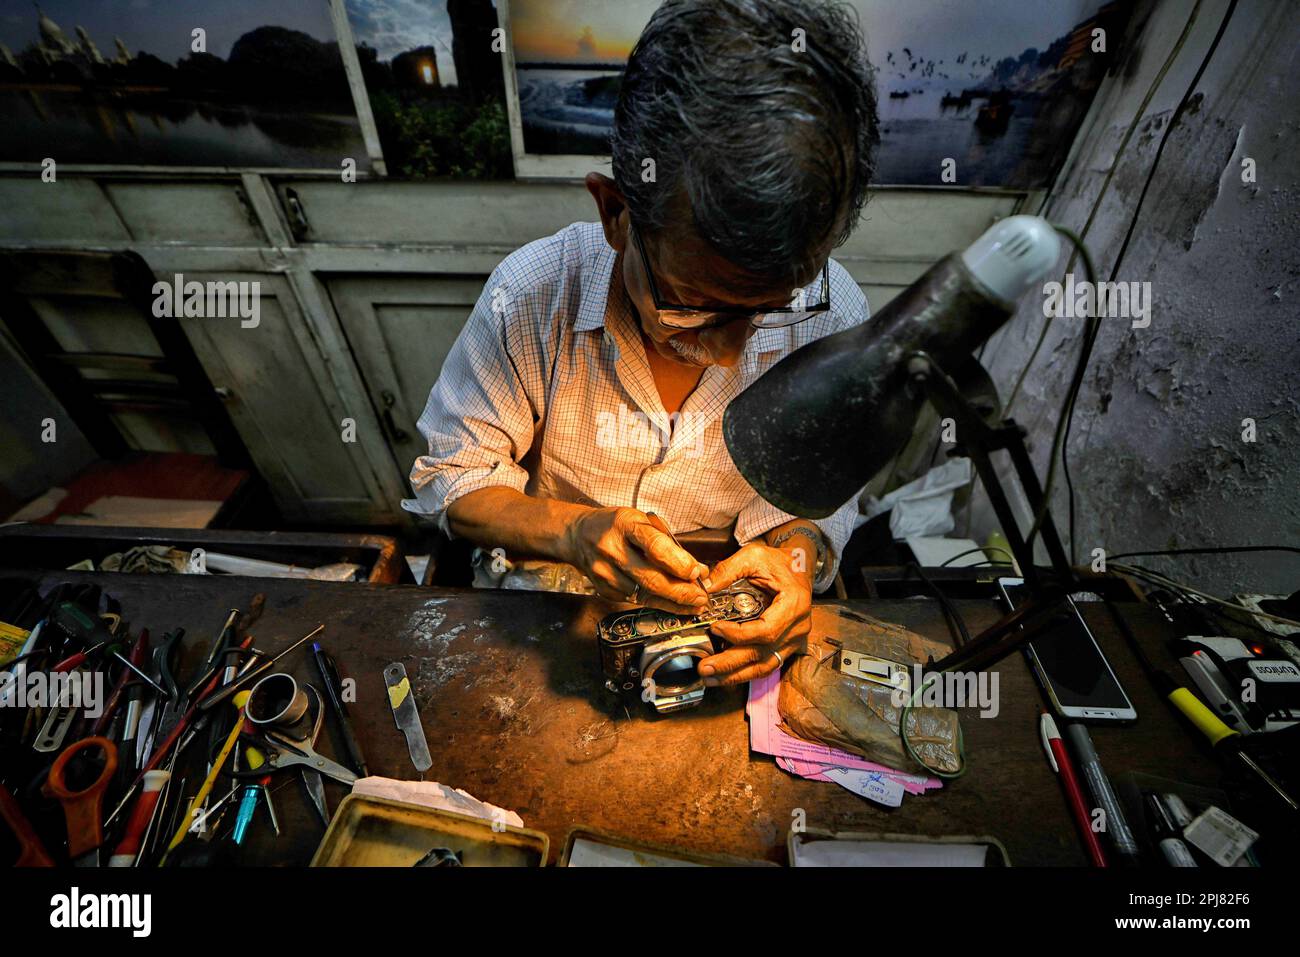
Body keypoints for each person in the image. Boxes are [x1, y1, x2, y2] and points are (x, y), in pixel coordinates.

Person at [405, 0, 879, 688]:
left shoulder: (830, 313)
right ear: (617, 212)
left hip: (719, 623)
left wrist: (796, 558)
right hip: (547, 607)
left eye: (768, 310)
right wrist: (571, 531)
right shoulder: (534, 294)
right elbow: (452, 478)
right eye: (696, 307)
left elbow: (816, 503)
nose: (728, 353)